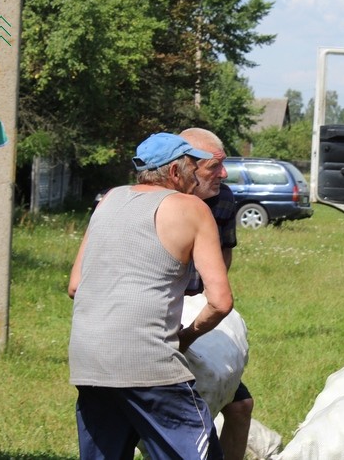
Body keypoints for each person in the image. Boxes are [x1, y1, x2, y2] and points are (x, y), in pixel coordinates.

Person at [67, 132, 234, 459]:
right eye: (192, 164)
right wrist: (185, 338)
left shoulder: (109, 198)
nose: (196, 173)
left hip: (88, 362)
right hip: (149, 365)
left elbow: (75, 285)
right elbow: (220, 301)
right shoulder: (191, 208)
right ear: (174, 172)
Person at [179, 128, 254, 460]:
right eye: (214, 167)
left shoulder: (223, 198)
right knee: (183, 424)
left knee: (241, 407)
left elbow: (224, 252)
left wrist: (210, 290)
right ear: (186, 168)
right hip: (160, 318)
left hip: (200, 311)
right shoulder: (161, 202)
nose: (224, 174)